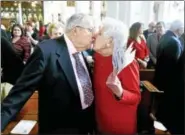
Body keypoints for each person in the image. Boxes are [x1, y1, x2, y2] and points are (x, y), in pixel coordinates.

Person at [1, 13, 95, 134]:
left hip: (85, 125)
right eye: (91, 30)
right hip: (60, 128)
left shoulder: (82, 51)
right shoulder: (46, 51)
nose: (94, 35)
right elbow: (21, 92)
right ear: (76, 30)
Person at [93, 17, 141, 135]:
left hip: (119, 124)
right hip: (100, 119)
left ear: (109, 40)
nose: (94, 35)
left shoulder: (126, 61)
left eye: (99, 33)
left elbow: (136, 97)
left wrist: (120, 92)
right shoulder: (99, 56)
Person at [154, 20, 184, 134]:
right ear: (179, 29)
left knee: (161, 111)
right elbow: (174, 66)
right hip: (168, 84)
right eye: (182, 28)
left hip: (160, 78)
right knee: (165, 114)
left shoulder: (164, 37)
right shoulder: (175, 41)